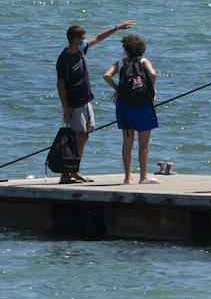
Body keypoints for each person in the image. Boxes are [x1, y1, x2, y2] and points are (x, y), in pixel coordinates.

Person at [56, 19, 135, 183]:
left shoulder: (81, 50)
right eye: (83, 38)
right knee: (73, 137)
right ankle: (65, 175)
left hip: (86, 100)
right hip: (73, 103)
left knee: (84, 136)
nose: (86, 40)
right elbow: (61, 85)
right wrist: (65, 108)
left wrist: (117, 27)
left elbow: (98, 38)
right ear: (76, 39)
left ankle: (75, 171)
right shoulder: (64, 59)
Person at [102, 34, 158, 184]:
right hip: (143, 105)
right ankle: (143, 176)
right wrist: (151, 89)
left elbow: (106, 75)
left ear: (125, 49)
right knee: (143, 144)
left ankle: (127, 177)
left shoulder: (120, 63)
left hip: (125, 105)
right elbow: (152, 74)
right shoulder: (144, 61)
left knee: (127, 142)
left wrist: (118, 89)